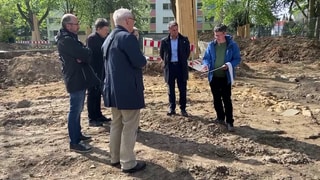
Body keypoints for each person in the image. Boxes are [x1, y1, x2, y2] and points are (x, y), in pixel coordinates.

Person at [101, 8, 147, 173]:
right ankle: (128, 163)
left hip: (113, 91)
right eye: (133, 20)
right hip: (128, 91)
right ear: (127, 21)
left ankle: (114, 158)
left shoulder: (108, 38)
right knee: (129, 126)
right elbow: (140, 62)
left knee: (116, 124)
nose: (134, 23)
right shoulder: (127, 38)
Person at [55, 14, 100, 152]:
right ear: (68, 25)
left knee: (78, 108)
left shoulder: (71, 39)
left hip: (79, 78)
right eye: (76, 24)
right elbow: (85, 53)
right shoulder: (66, 40)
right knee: (75, 109)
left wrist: (83, 55)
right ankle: (74, 141)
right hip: (75, 78)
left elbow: (86, 53)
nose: (78, 26)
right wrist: (83, 55)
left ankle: (78, 134)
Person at [201, 24, 241, 132]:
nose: (216, 37)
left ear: (224, 34)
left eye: (218, 35)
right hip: (214, 77)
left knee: (226, 99)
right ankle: (220, 118)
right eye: (215, 35)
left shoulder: (232, 45)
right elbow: (206, 58)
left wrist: (229, 65)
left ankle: (229, 122)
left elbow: (237, 59)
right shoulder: (211, 46)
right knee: (216, 99)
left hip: (225, 77)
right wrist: (205, 65)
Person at [159, 21, 191, 117]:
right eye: (173, 30)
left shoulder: (184, 40)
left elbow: (187, 53)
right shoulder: (164, 41)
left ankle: (183, 109)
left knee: (182, 89)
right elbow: (162, 54)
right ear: (169, 30)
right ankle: (172, 108)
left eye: (176, 29)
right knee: (171, 89)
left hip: (181, 68)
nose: (175, 31)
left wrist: (181, 60)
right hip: (170, 68)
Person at [86, 18, 111, 127]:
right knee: (92, 94)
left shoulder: (103, 38)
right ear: (98, 29)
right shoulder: (92, 39)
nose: (107, 32)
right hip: (93, 71)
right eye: (105, 29)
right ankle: (92, 118)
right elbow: (96, 55)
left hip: (101, 71)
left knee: (98, 94)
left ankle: (98, 115)